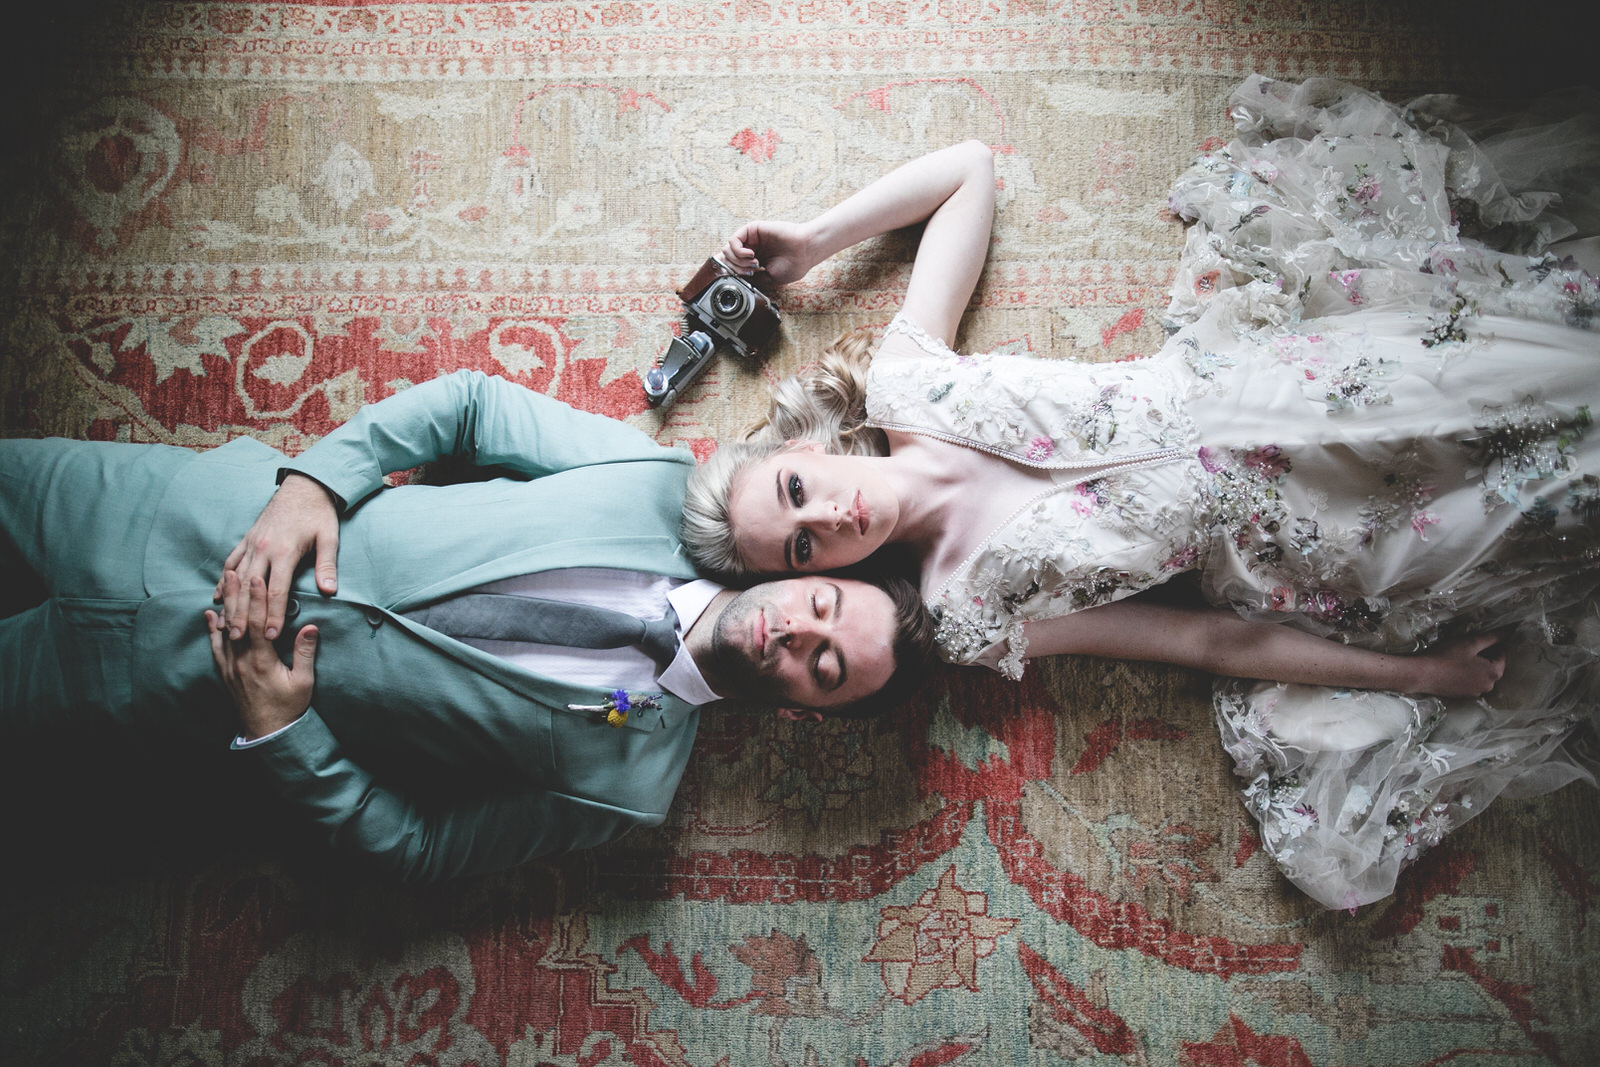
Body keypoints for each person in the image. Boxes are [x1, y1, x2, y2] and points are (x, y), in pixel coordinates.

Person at [680, 78, 1600, 909]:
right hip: (1321, 536)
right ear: (821, 576)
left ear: (805, 446)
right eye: (803, 547)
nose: (828, 516)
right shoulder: (967, 612)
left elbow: (968, 169)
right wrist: (1418, 677)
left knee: (1552, 372)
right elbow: (1203, 637)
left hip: (1296, 386)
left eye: (797, 490)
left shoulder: (907, 378)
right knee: (1568, 493)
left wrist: (815, 239)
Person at [1, 369, 935, 882]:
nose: (800, 636)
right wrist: (316, 482)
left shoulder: (628, 787)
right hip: (172, 510)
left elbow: (414, 846)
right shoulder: (650, 480)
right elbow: (472, 407)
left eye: (825, 668)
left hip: (151, 690)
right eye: (825, 606)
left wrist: (282, 731)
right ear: (816, 574)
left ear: (805, 713)